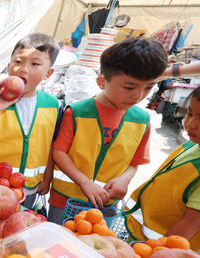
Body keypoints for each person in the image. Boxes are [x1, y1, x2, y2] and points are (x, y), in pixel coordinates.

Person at [47, 38, 169, 223]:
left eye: (149, 87)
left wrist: (124, 180)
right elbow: (59, 152)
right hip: (66, 200)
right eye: (129, 87)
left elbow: (135, 162)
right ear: (101, 82)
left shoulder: (142, 120)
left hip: (107, 205)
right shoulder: (77, 113)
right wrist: (84, 182)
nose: (138, 95)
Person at [0, 33, 61, 207]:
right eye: (18, 62)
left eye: (35, 64)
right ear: (9, 66)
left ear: (48, 73)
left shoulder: (53, 106)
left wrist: (47, 178)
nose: (24, 69)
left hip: (30, 188)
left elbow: (52, 145)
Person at [124, 82, 200, 252]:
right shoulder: (193, 145)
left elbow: (193, 222)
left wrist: (157, 255)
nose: (190, 124)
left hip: (163, 251)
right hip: (142, 239)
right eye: (189, 113)